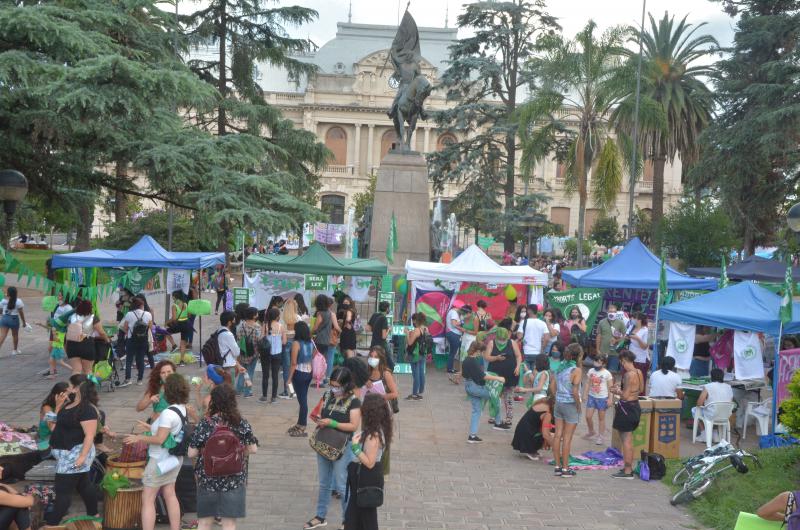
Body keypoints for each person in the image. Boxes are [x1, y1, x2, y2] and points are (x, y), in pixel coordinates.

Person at [124, 374, 190, 530]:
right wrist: (149, 427)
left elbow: (160, 439)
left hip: (159, 460)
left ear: (168, 391)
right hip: (173, 460)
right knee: (170, 494)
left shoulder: (167, 413)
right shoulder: (181, 409)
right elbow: (169, 432)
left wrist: (138, 437)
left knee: (147, 499)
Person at [188, 384, 259, 530]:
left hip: (207, 478)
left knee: (204, 523)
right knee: (229, 524)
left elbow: (191, 453)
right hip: (234, 478)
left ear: (213, 401)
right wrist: (236, 454)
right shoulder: (241, 423)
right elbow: (253, 449)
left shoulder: (205, 424)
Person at [305, 367, 362, 530]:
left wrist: (333, 423)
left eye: (337, 386)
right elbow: (321, 412)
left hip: (342, 448)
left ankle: (347, 521)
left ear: (346, 385)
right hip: (324, 444)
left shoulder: (354, 401)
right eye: (332, 385)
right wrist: (320, 420)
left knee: (342, 485)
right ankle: (320, 515)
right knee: (324, 483)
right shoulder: (328, 395)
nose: (334, 389)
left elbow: (353, 426)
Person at [46, 379, 99, 526]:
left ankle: (52, 524)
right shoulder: (68, 405)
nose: (68, 388)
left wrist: (82, 457)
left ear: (78, 389)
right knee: (83, 484)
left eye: (71, 386)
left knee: (62, 490)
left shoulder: (87, 410)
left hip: (75, 454)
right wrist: (57, 407)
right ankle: (94, 513)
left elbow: (90, 435)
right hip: (65, 454)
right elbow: (53, 428)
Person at [344, 393, 393, 530]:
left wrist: (355, 447)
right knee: (355, 514)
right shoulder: (376, 428)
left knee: (366, 517)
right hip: (363, 476)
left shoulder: (373, 434)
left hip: (365, 477)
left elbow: (370, 462)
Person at [462, 341, 505, 443]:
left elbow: (465, 374)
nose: (482, 354)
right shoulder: (474, 361)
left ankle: (472, 436)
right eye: (481, 352)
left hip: (468, 386)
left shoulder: (466, 360)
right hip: (475, 387)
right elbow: (483, 376)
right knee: (495, 396)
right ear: (478, 351)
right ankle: (498, 422)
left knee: (476, 410)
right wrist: (498, 378)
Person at [610, 350, 644, 479]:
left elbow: (624, 396)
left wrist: (616, 390)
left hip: (626, 409)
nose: (621, 364)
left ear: (623, 360)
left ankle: (628, 470)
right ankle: (628, 468)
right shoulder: (639, 372)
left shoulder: (628, 375)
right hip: (635, 406)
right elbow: (640, 389)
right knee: (629, 440)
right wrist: (623, 388)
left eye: (621, 362)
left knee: (626, 440)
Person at [551, 343, 583, 478]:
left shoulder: (560, 367)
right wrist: (579, 406)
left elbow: (552, 387)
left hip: (559, 403)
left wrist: (557, 397)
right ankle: (565, 468)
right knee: (568, 438)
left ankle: (557, 466)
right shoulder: (576, 370)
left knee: (558, 435)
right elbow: (575, 391)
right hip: (570, 405)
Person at [483, 324, 522, 430]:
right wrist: (496, 358)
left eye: (504, 339)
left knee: (508, 396)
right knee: (495, 396)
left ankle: (509, 417)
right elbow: (486, 357)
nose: (502, 340)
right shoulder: (491, 343)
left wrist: (518, 367)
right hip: (495, 375)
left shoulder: (512, 343)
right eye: (500, 339)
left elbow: (518, 356)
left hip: (511, 374)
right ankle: (493, 416)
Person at [65, 300, 110, 375]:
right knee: (88, 371)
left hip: (72, 345)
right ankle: (90, 386)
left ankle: (73, 386)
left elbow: (68, 332)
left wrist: (66, 346)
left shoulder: (72, 317)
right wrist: (107, 339)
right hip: (86, 344)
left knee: (76, 370)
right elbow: (101, 332)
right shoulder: (93, 317)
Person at [287, 321, 314, 437]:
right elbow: (313, 356)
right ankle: (300, 423)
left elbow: (293, 363)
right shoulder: (310, 342)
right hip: (308, 372)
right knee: (302, 398)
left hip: (299, 373)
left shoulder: (296, 343)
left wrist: (289, 378)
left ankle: (302, 425)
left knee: (302, 401)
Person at [691, 368, 734, 441]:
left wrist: (707, 403)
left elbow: (699, 403)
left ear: (712, 376)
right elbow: (730, 401)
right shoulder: (729, 387)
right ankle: (715, 434)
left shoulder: (708, 386)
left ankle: (704, 433)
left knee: (695, 410)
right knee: (716, 411)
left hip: (712, 414)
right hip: (725, 415)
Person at [120, 297, 153, 387]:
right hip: (143, 340)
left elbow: (125, 328)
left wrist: (129, 334)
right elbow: (151, 327)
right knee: (140, 359)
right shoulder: (148, 314)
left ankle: (128, 379)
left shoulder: (129, 314)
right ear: (142, 305)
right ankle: (139, 380)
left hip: (131, 340)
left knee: (129, 360)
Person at [512, 394, 555, 461]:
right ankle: (530, 449)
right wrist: (557, 449)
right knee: (552, 435)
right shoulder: (548, 413)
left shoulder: (542, 404)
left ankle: (532, 449)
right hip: (526, 436)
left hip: (521, 433)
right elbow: (546, 435)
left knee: (551, 432)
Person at [582, 353, 613, 445]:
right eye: (596, 361)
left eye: (599, 362)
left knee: (601, 418)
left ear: (603, 364)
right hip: (592, 396)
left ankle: (601, 436)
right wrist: (585, 394)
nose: (596, 364)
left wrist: (610, 399)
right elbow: (588, 383)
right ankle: (591, 431)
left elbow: (610, 388)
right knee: (588, 416)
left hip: (602, 398)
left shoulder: (607, 373)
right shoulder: (591, 371)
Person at [45, 293, 74, 379]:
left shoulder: (68, 307)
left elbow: (69, 321)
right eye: (58, 295)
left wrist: (67, 332)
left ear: (65, 297)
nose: (58, 297)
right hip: (55, 329)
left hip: (60, 331)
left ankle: (74, 369)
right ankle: (53, 372)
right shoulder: (58, 305)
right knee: (51, 350)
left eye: (61, 296)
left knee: (60, 351)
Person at [260, 307, 286, 403]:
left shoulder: (265, 325)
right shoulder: (281, 326)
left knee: (265, 375)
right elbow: (284, 342)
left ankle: (264, 396)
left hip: (266, 353)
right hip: (277, 353)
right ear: (278, 316)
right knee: (275, 376)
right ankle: (274, 397)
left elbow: (261, 338)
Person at [280, 298, 303, 399]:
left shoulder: (282, 318)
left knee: (286, 368)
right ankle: (294, 390)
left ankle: (288, 391)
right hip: (295, 343)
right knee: (294, 367)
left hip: (285, 344)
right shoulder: (298, 317)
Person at [313, 294, 339, 384]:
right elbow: (336, 327)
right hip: (328, 339)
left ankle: (320, 379)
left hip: (320, 339)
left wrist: (312, 330)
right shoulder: (330, 313)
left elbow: (316, 327)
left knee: (319, 359)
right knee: (327, 359)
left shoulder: (320, 313)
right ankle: (326, 378)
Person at [235, 307, 261, 399]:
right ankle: (247, 392)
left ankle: (238, 390)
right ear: (254, 316)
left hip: (242, 352)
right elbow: (259, 340)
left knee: (242, 371)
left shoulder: (241, 326)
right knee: (250, 372)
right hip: (253, 353)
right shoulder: (257, 326)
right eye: (256, 313)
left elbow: (238, 337)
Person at [405, 312, 430, 400]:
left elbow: (410, 342)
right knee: (421, 373)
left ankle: (415, 394)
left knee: (416, 374)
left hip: (415, 354)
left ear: (416, 320)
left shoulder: (416, 330)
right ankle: (420, 391)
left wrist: (407, 333)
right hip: (423, 353)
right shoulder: (426, 329)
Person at [38, 382, 68, 453]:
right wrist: (58, 407)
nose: (67, 398)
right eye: (65, 395)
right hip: (47, 441)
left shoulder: (66, 405)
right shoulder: (47, 408)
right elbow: (52, 428)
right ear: (57, 396)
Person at [596, 304, 627, 372]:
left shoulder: (620, 323)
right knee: (600, 372)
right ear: (607, 312)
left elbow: (626, 336)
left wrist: (617, 340)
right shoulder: (602, 322)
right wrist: (597, 350)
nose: (612, 313)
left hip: (615, 353)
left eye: (614, 312)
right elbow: (598, 336)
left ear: (616, 313)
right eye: (610, 311)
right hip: (603, 352)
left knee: (612, 373)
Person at [0, 286, 29, 356]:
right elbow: (21, 313)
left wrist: (3, 316)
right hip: (14, 319)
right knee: (15, 335)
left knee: (2, 335)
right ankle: (15, 350)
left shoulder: (3, 301)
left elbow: (0, 310)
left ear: (8, 293)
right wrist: (24, 322)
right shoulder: (18, 301)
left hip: (4, 318)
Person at [520, 305, 549, 370]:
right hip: (537, 353)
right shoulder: (542, 323)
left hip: (526, 352)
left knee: (526, 374)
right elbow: (547, 338)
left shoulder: (523, 322)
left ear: (529, 311)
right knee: (536, 374)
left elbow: (519, 336)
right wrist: (542, 349)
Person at [166, 290, 192, 361]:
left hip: (179, 324)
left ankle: (174, 345)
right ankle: (182, 360)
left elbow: (174, 318)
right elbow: (189, 315)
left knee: (166, 332)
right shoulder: (185, 304)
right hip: (186, 324)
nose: (172, 298)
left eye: (173, 296)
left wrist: (167, 322)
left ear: (175, 297)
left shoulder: (174, 305)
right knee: (183, 343)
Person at [627, 312, 650, 392]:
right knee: (629, 379)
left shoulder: (646, 330)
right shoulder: (632, 327)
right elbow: (627, 337)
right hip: (630, 357)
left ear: (639, 320)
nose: (632, 319)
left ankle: (640, 399)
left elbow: (645, 346)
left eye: (634, 318)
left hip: (641, 359)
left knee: (640, 380)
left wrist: (637, 338)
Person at [217, 311, 242, 383]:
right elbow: (236, 352)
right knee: (229, 388)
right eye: (234, 320)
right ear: (229, 322)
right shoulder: (228, 334)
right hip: (229, 365)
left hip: (220, 363)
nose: (235, 321)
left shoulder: (219, 331)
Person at [444, 302, 464, 374]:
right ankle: (450, 368)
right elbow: (454, 324)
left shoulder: (452, 312)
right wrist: (462, 321)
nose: (462, 309)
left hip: (452, 333)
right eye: (461, 308)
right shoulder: (454, 312)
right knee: (453, 352)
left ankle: (450, 368)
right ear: (457, 307)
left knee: (453, 352)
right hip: (454, 333)